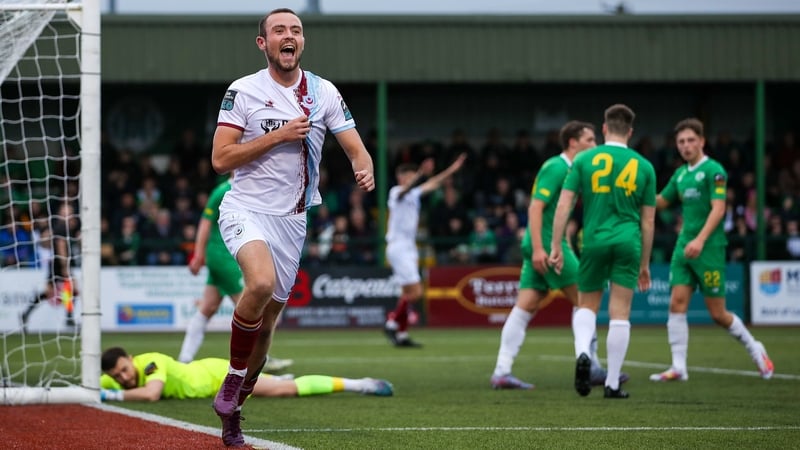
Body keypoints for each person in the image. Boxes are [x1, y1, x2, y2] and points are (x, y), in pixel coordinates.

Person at [209, 8, 375, 448]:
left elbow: (356, 149)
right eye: (279, 30)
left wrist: (365, 167)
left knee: (266, 328)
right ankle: (232, 378)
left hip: (293, 220)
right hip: (245, 208)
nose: (289, 36)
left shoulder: (323, 92)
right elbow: (221, 159)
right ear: (262, 43)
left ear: (302, 41)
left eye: (296, 30)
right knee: (260, 283)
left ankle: (234, 409)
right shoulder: (243, 91)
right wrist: (277, 135)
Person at [491, 120, 629, 390]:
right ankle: (591, 365)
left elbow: (557, 214)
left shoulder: (573, 169)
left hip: (545, 244)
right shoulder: (557, 167)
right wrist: (540, 248)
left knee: (526, 306)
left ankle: (501, 371)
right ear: (573, 142)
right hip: (546, 246)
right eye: (589, 140)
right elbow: (535, 208)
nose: (595, 144)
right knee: (586, 301)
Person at [649, 118, 774, 382]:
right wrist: (636, 194)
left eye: (690, 140)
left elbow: (719, 209)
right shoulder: (680, 174)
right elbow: (661, 201)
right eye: (681, 142)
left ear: (702, 141)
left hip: (709, 248)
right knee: (676, 303)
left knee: (718, 314)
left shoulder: (714, 170)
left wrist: (700, 240)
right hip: (684, 246)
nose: (685, 146)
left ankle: (755, 348)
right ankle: (678, 367)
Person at [549, 104, 657, 399]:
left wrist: (556, 245)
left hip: (594, 240)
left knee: (587, 305)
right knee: (620, 312)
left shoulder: (584, 160)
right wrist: (645, 263)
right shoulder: (645, 166)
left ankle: (583, 352)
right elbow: (648, 222)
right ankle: (612, 384)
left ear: (605, 128)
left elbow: (564, 205)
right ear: (630, 132)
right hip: (628, 242)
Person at [177, 177, 293, 373]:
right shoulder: (225, 189)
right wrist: (198, 254)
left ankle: (183, 360)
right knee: (254, 308)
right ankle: (257, 359)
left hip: (222, 256)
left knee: (208, 307)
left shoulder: (248, 186)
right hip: (224, 257)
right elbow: (205, 222)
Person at [383, 153, 467, 347]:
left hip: (408, 247)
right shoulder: (396, 192)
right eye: (411, 176)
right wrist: (421, 172)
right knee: (416, 292)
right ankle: (391, 323)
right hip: (399, 246)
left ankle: (402, 335)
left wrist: (453, 169)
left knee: (406, 292)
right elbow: (407, 189)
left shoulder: (414, 194)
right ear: (402, 177)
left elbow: (435, 182)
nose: (414, 179)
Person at [100, 347, 392, 402]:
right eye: (117, 376)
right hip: (209, 377)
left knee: (286, 391)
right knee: (278, 385)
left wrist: (109, 395)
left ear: (131, 359)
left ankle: (360, 384)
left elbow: (151, 394)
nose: (123, 378)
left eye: (124, 369)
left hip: (217, 377)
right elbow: (96, 384)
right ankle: (275, 378)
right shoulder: (112, 378)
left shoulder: (150, 363)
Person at [21, 202, 79, 331]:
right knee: (71, 289)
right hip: (60, 263)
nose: (69, 214)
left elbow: (50, 244)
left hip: (55, 263)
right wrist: (65, 266)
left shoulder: (61, 227)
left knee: (57, 291)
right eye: (66, 211)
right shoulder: (61, 228)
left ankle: (27, 313)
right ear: (61, 213)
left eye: (70, 212)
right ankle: (69, 318)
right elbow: (60, 246)